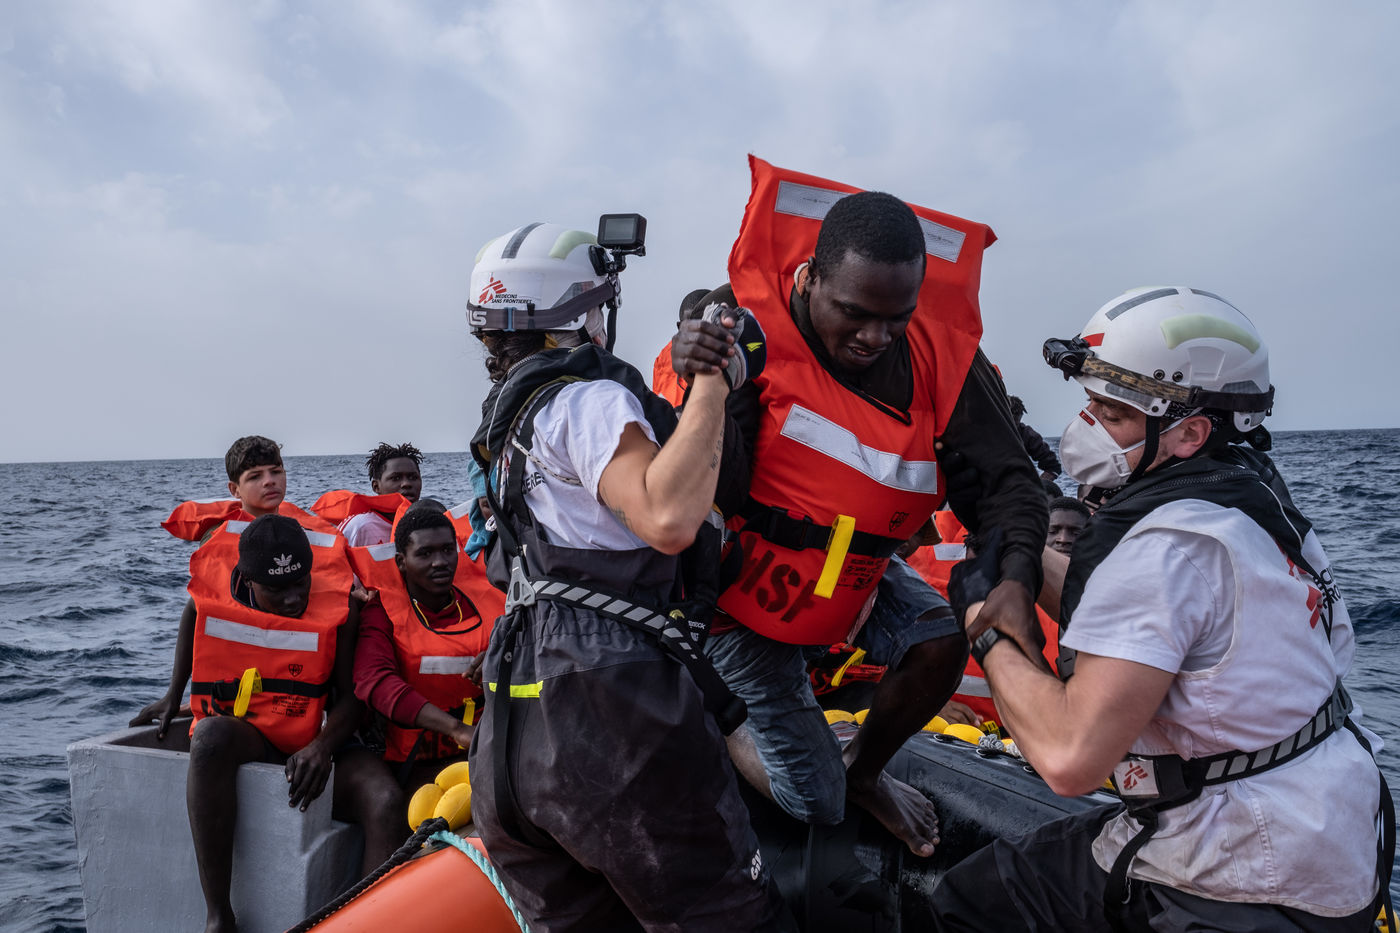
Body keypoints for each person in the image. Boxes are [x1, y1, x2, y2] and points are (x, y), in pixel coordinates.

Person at [932, 286, 1391, 931]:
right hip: (1330, 829)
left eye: (1114, 412)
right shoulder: (1245, 505)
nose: (1087, 424)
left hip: (1241, 865)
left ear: (1190, 432)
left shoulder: (1167, 549)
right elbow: (1138, 618)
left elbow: (1068, 759)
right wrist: (1011, 538)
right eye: (1090, 402)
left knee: (968, 903)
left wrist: (987, 626)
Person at [672, 158, 1048, 858]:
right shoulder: (742, 325)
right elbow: (718, 491)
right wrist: (709, 384)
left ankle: (865, 769)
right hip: (740, 598)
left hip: (853, 576)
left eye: (895, 319)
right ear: (810, 277)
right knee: (817, 803)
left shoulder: (944, 357)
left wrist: (1015, 573)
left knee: (942, 640)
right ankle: (720, 721)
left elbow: (1008, 484)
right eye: (854, 313)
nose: (875, 337)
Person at [464, 221, 787, 931]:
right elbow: (668, 516)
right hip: (610, 717)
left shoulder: (510, 424)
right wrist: (715, 380)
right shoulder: (588, 400)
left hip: (515, 727)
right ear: (584, 313)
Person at [164, 514, 400, 933]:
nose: (293, 599)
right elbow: (193, 612)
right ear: (247, 580)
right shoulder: (218, 596)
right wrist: (173, 693)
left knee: (385, 799)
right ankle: (219, 915)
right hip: (255, 732)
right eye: (277, 589)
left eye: (300, 583)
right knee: (210, 738)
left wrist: (322, 747)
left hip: (321, 735)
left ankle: (367, 923)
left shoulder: (341, 607)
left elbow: (351, 699)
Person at [350, 502, 503, 789]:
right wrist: (456, 729)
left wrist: (501, 655)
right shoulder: (381, 611)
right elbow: (374, 680)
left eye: (447, 550)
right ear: (401, 561)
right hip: (417, 759)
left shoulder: (490, 596)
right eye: (425, 554)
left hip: (489, 745)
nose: (440, 562)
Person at [328, 442, 426, 547]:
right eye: (396, 478)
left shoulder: (428, 524)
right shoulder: (359, 527)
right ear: (376, 487)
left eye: (413, 477)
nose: (406, 484)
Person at [1008, 394, 1062, 481]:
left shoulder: (1026, 434)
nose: (1014, 418)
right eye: (1012, 413)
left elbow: (1054, 467)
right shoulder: (986, 432)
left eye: (1018, 414)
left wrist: (1038, 486)